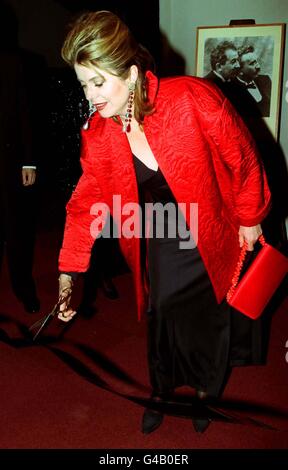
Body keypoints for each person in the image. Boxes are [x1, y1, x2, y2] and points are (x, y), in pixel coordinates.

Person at [56, 11, 271, 435]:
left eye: (98, 82)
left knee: (211, 322)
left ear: (131, 73)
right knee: (163, 317)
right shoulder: (98, 135)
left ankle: (207, 395)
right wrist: (69, 268)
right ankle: (162, 392)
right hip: (157, 234)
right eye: (84, 84)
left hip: (211, 229)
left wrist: (250, 218)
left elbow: (242, 155)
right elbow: (86, 204)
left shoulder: (191, 98)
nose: (90, 96)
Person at [0, 49, 40, 313]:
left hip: (9, 161)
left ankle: (23, 286)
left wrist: (29, 160)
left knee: (18, 232)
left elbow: (26, 112)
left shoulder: (12, 62)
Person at [235, 45, 272, 117]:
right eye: (252, 63)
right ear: (239, 70)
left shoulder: (266, 80)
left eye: (256, 61)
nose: (258, 67)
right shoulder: (232, 89)